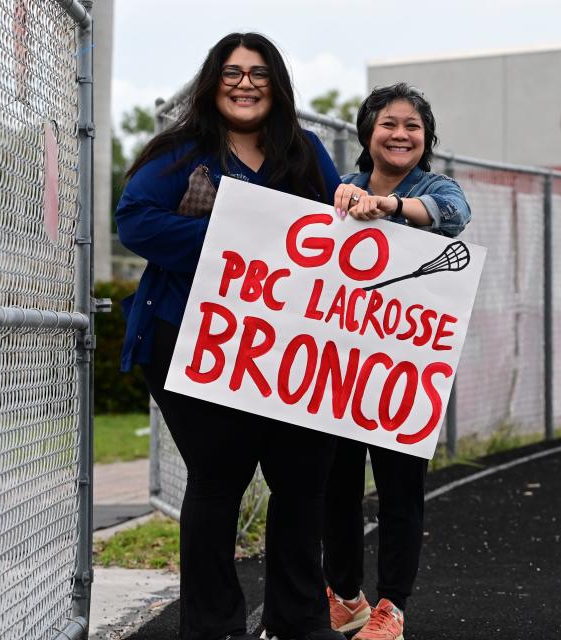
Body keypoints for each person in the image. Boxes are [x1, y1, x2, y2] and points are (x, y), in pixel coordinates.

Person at [115, 33, 345, 640]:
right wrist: (234, 236)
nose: (246, 83)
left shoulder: (305, 151)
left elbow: (339, 238)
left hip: (290, 349)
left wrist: (356, 205)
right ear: (213, 80)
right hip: (193, 342)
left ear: (278, 84)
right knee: (218, 479)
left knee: (301, 480)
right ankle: (212, 628)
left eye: (260, 73)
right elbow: (134, 219)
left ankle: (301, 624)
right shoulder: (179, 151)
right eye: (233, 72)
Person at [324, 83, 472, 640]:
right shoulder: (338, 188)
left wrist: (388, 206)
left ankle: (392, 608)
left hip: (402, 368)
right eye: (389, 123)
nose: (401, 134)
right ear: (368, 132)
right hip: (337, 365)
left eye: (413, 125)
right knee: (333, 486)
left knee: (399, 490)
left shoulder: (436, 187)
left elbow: (453, 216)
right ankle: (344, 595)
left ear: (426, 137)